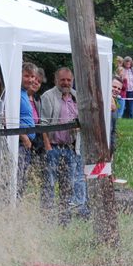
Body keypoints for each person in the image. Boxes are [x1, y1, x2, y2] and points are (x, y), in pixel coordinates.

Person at [40, 67, 88, 224]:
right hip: (53, 147)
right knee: (49, 185)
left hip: (70, 148)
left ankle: (64, 220)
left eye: (69, 80)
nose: (66, 83)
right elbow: (43, 124)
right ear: (56, 80)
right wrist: (48, 149)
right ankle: (47, 220)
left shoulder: (76, 97)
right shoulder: (48, 96)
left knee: (68, 186)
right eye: (63, 80)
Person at [17, 62, 38, 197]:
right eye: (26, 76)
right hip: (19, 143)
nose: (30, 80)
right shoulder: (15, 93)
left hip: (27, 144)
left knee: (22, 180)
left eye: (32, 76)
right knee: (17, 178)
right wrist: (23, 136)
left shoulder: (24, 93)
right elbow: (10, 117)